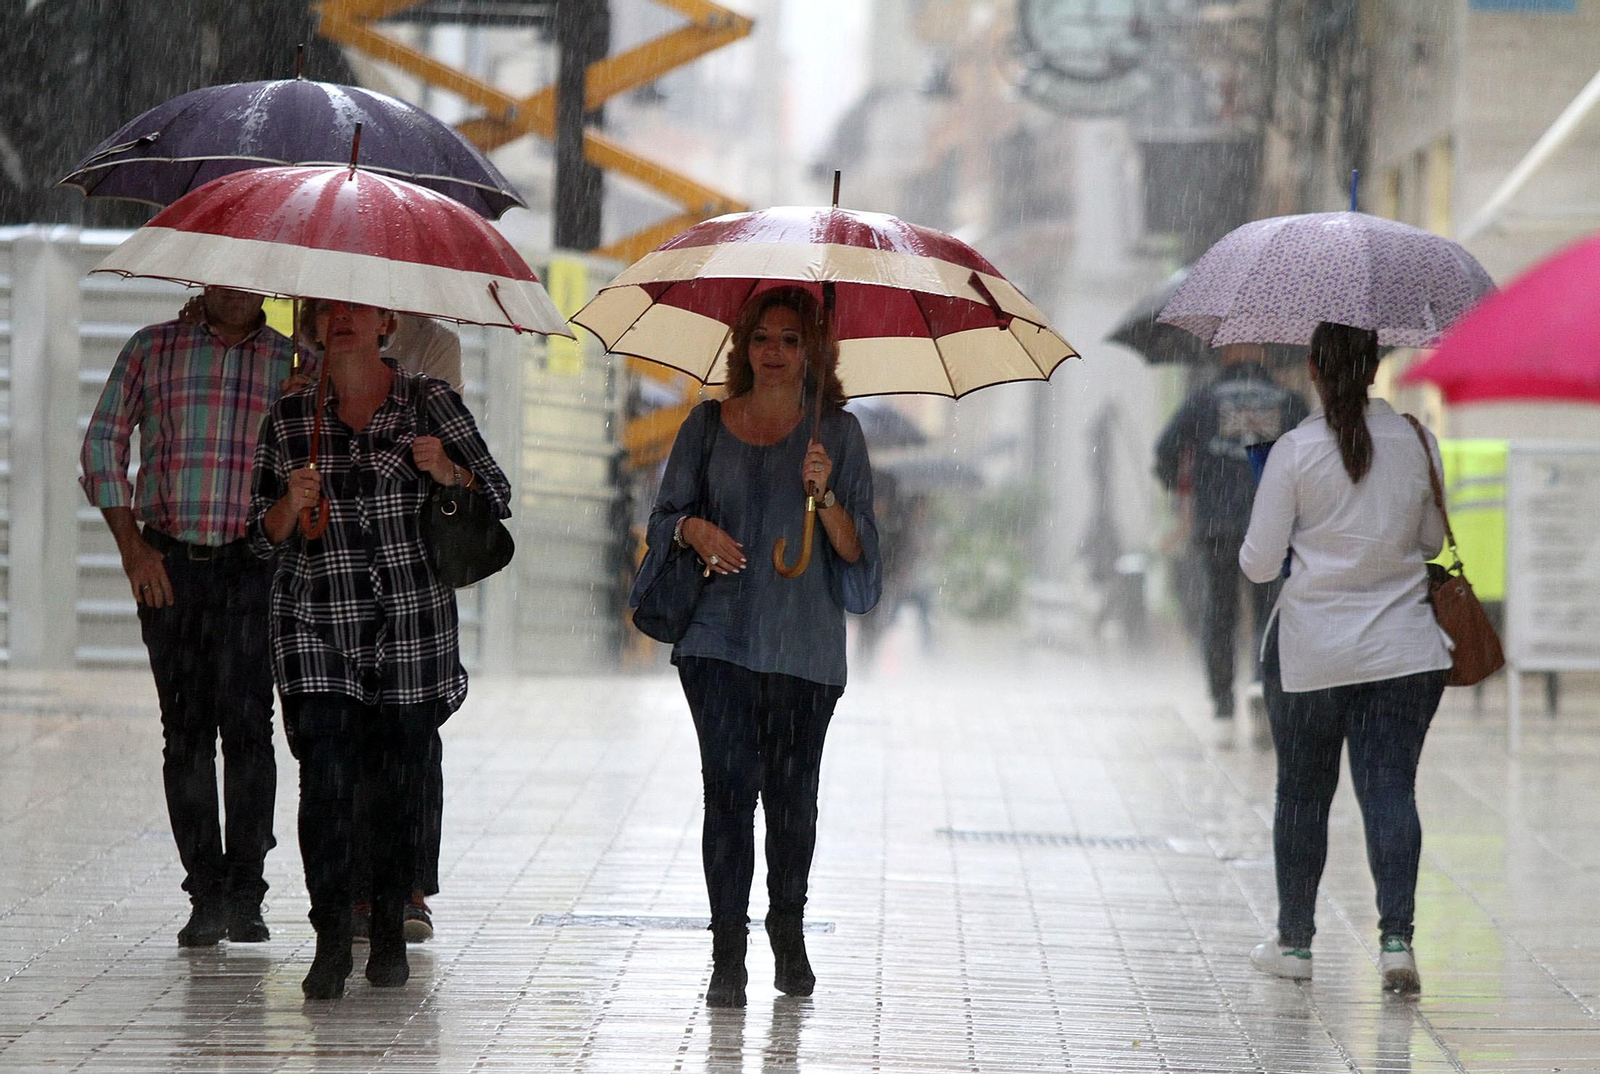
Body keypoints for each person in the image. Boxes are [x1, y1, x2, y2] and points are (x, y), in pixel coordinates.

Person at [249, 299, 511, 1000]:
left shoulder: (430, 403)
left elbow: (498, 493)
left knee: (399, 783)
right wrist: (288, 504)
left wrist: (448, 470)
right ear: (309, 325)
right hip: (316, 621)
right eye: (325, 309)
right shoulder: (289, 419)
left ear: (385, 323)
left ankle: (391, 926)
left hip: (412, 624)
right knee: (327, 776)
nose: (341, 319)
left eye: (356, 308)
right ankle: (333, 934)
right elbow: (258, 535)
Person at [634, 286, 881, 1008]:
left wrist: (826, 496)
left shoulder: (839, 436)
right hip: (719, 642)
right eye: (762, 338)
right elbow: (665, 515)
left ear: (814, 352)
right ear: (743, 346)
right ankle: (727, 954)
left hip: (805, 652)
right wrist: (695, 532)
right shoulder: (707, 425)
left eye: (791, 340)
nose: (773, 352)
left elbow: (860, 557)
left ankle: (788, 928)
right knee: (728, 794)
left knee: (793, 804)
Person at [80, 287, 296, 948]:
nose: (235, 288)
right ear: (200, 280)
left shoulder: (292, 366)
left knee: (250, 728)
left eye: (248, 275)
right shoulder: (153, 348)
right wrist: (132, 549)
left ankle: (246, 892)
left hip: (254, 567)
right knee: (187, 731)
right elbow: (100, 452)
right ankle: (204, 892)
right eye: (221, 275)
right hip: (169, 567)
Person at [1239, 321, 1451, 994]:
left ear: (1312, 369)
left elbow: (1257, 564)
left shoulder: (1295, 452)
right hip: (1403, 651)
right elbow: (1430, 541)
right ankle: (1396, 943)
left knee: (1302, 794)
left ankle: (1295, 943)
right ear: (1374, 367)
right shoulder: (1418, 442)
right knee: (1389, 789)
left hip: (1312, 654)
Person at [1154, 344, 1309, 724]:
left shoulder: (1203, 399)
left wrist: (1183, 484)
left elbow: (1165, 451)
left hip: (1217, 526)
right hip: (1271, 525)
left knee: (1220, 612)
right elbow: (1313, 458)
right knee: (1268, 613)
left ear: (1226, 355)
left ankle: (1222, 701)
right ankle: (1262, 689)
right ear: (1265, 356)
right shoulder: (1289, 401)